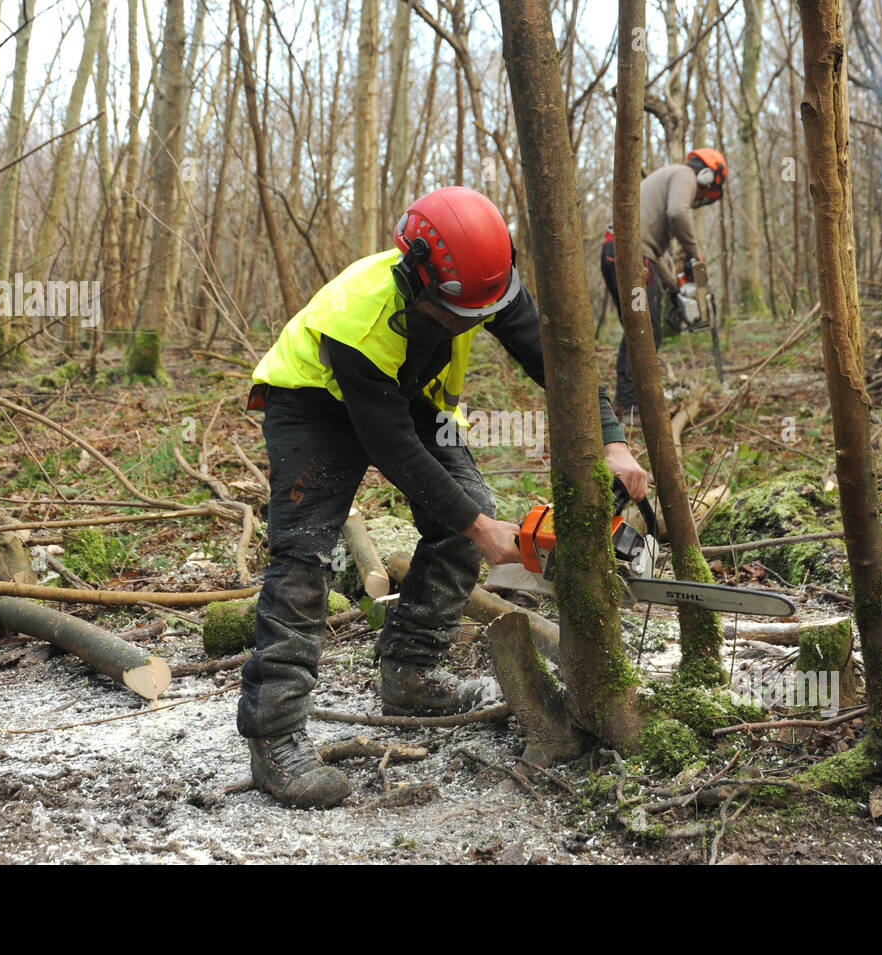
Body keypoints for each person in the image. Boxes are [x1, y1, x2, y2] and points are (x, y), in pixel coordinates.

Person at [239, 186, 650, 809]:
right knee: (304, 557)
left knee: (466, 514)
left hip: (412, 398)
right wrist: (477, 526)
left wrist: (611, 439)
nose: (474, 320)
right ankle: (275, 737)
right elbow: (394, 448)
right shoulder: (364, 317)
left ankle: (410, 672)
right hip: (314, 402)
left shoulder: (488, 283)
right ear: (420, 279)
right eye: (461, 310)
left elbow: (557, 363)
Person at [601, 147, 728, 420]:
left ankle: (626, 403)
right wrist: (697, 258)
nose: (699, 198)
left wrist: (674, 286)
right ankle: (633, 406)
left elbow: (656, 255)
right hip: (631, 256)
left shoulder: (669, 178)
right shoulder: (685, 174)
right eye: (704, 194)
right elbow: (677, 214)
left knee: (637, 328)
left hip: (617, 252)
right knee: (645, 330)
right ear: (706, 175)